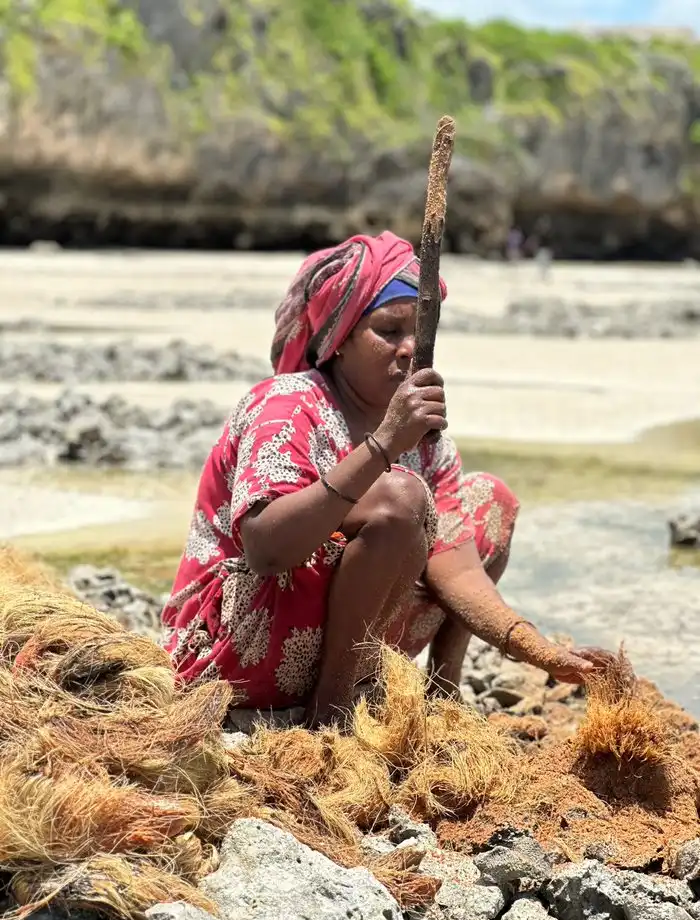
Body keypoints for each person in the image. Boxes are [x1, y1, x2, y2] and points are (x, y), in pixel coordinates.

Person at [162, 231, 610, 727]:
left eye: (421, 331)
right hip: (237, 645)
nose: (410, 349)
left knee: (489, 501)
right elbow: (267, 549)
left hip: (339, 639)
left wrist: (539, 651)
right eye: (388, 330)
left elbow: (457, 569)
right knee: (400, 498)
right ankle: (331, 712)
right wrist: (383, 448)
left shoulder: (425, 438)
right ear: (340, 340)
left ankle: (442, 689)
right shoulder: (287, 405)